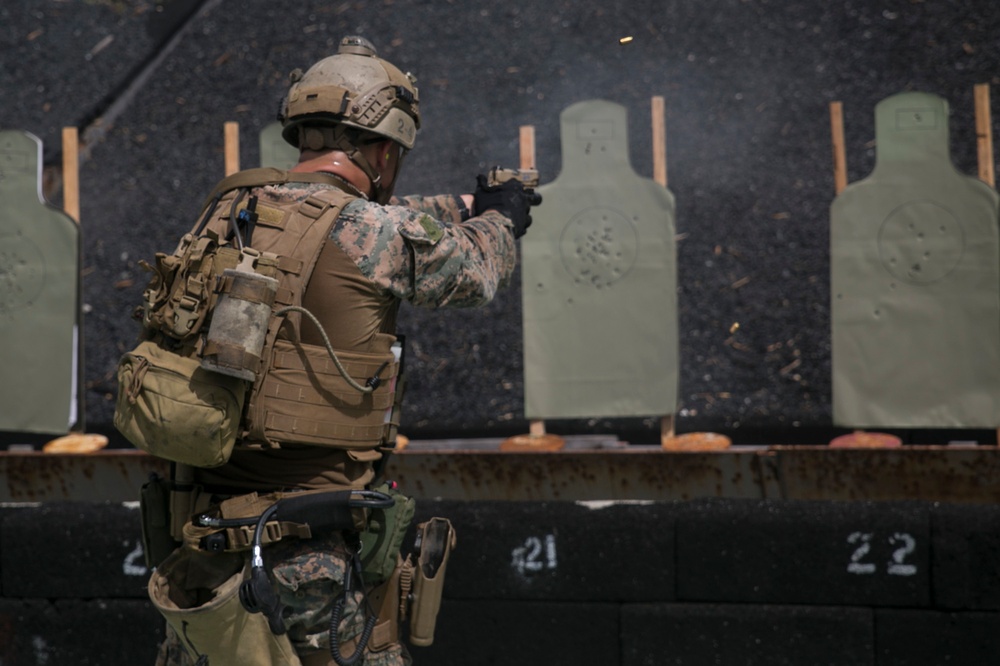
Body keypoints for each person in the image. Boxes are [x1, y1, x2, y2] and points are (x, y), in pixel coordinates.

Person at [148, 35, 536, 666]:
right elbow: (472, 270)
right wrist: (503, 217)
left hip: (203, 549)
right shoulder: (369, 231)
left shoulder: (229, 210)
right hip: (308, 557)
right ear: (384, 147)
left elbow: (352, 219)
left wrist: (468, 202)